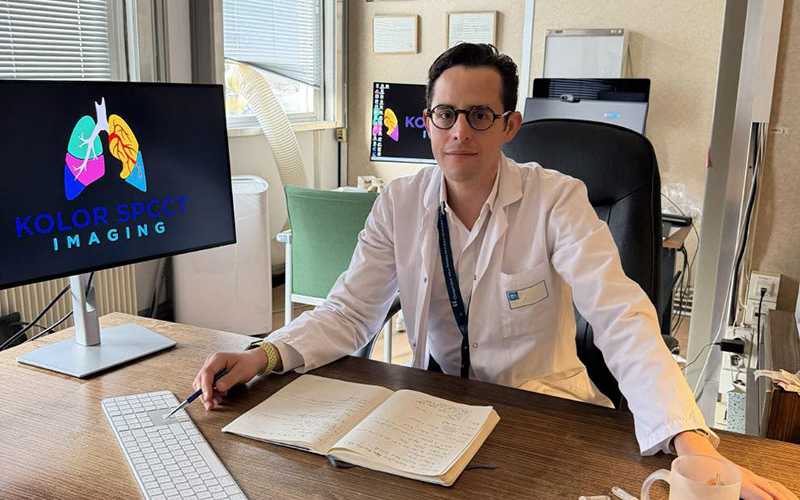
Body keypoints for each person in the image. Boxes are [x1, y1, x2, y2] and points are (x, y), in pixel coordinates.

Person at [195, 43, 796, 499]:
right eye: (445, 114)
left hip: (538, 411)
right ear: (427, 121)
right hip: (432, 412)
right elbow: (350, 312)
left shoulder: (556, 200)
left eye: (480, 115)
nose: (460, 132)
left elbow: (621, 316)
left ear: (510, 125)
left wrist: (690, 442)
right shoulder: (399, 203)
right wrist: (263, 355)